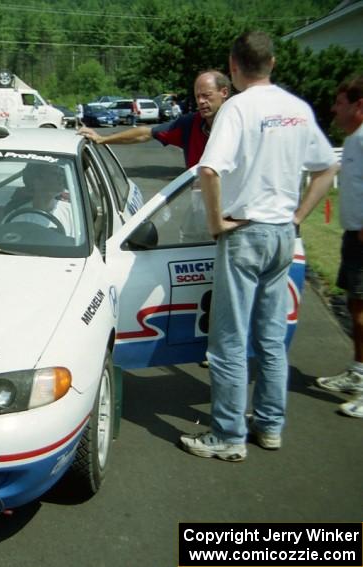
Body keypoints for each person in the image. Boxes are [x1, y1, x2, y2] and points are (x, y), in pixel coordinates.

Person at [180, 31, 340, 461]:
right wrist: (298, 217)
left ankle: (229, 436)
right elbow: (326, 168)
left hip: (244, 233)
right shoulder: (297, 109)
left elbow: (209, 170)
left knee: (228, 342)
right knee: (271, 340)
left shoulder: (238, 109)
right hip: (282, 235)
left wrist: (216, 223)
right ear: (272, 63)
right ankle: (270, 426)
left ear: (233, 65)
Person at [316, 76, 363, 418]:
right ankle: (358, 372)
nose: (334, 108)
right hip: (353, 234)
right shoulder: (353, 140)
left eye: (340, 101)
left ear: (359, 106)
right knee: (355, 305)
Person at [79, 70, 231, 169]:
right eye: (198, 96)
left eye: (207, 95)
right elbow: (144, 133)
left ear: (223, 92)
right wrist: (102, 139)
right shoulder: (189, 125)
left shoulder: (241, 124)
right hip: (202, 207)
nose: (201, 101)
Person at [4, 162, 75, 236]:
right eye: (54, 173)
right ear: (36, 181)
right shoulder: (18, 218)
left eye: (61, 174)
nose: (61, 177)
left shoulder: (71, 212)